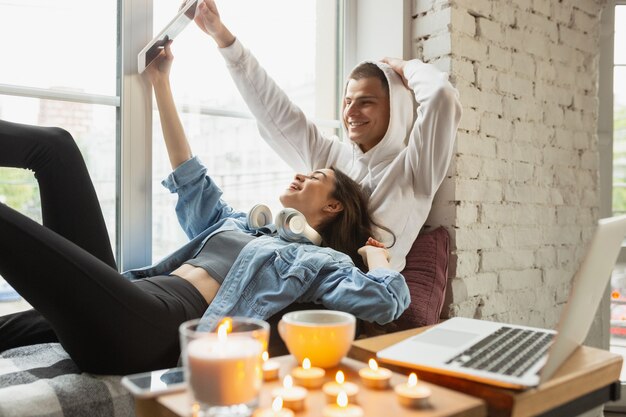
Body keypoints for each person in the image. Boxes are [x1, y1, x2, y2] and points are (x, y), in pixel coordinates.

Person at [0, 42, 409, 375]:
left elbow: (384, 302)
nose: (301, 175)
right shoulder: (234, 224)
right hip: (125, 294)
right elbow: (188, 174)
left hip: (152, 329)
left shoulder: (318, 261)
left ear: (334, 205)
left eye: (316, 177)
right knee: (57, 147)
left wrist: (377, 257)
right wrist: (161, 82)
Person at [193, 0, 462, 271]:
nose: (352, 111)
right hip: (305, 285)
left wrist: (404, 67)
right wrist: (222, 38)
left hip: (370, 297)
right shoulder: (331, 160)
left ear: (396, 108)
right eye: (347, 101)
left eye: (366, 101)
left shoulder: (413, 170)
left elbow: (441, 96)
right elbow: (273, 112)